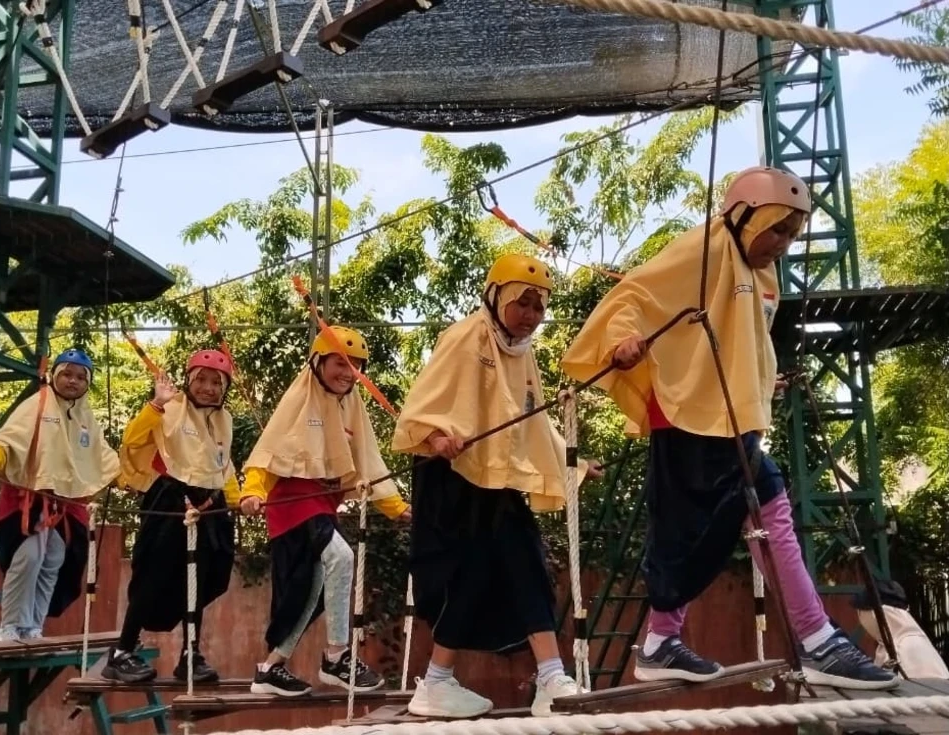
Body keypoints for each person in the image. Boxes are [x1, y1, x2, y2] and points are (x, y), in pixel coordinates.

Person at [562, 165, 897, 690]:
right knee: (688, 536)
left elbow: (745, 345)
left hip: (729, 421)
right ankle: (681, 641)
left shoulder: (759, 273)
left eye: (793, 233)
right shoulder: (705, 247)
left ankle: (807, 639)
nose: (783, 244)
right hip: (688, 418)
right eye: (777, 229)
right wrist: (619, 343)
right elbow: (633, 296)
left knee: (768, 508)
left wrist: (762, 385)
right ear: (744, 216)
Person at [392, 254, 603, 719]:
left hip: (495, 479)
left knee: (525, 560)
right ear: (496, 297)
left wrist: (573, 461)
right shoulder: (466, 336)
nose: (530, 315)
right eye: (521, 303)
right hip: (449, 475)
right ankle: (437, 683)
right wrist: (435, 435)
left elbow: (530, 419)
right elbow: (422, 405)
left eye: (538, 306)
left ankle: (550, 678)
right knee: (465, 578)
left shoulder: (522, 353)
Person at [239, 327, 412, 697]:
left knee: (311, 590)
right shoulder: (299, 398)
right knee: (342, 555)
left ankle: (268, 669)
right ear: (318, 362)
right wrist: (252, 490)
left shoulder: (352, 404)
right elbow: (269, 450)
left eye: (356, 366)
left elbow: (368, 458)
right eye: (341, 363)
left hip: (323, 504)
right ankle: (337, 656)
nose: (348, 373)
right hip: (293, 501)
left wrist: (394, 506)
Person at [101, 350, 238, 684]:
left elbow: (222, 466)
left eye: (216, 382)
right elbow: (132, 442)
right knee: (153, 573)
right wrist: (156, 404)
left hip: (209, 506)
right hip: (170, 501)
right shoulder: (170, 408)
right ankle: (122, 652)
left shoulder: (224, 420)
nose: (208, 388)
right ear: (188, 381)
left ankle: (190, 655)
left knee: (204, 579)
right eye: (201, 380)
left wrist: (237, 498)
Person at [0, 349, 120, 642]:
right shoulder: (36, 405)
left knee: (53, 558)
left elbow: (103, 460)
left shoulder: (86, 418)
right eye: (66, 374)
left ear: (87, 383)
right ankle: (11, 625)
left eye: (80, 377)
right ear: (54, 375)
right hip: (30, 500)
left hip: (64, 505)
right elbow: (7, 442)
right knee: (29, 556)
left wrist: (127, 479)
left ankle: (33, 626)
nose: (72, 381)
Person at [852, 579, 949, 679]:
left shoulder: (902, 648)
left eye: (861, 613)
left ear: (872, 615)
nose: (860, 621)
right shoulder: (902, 641)